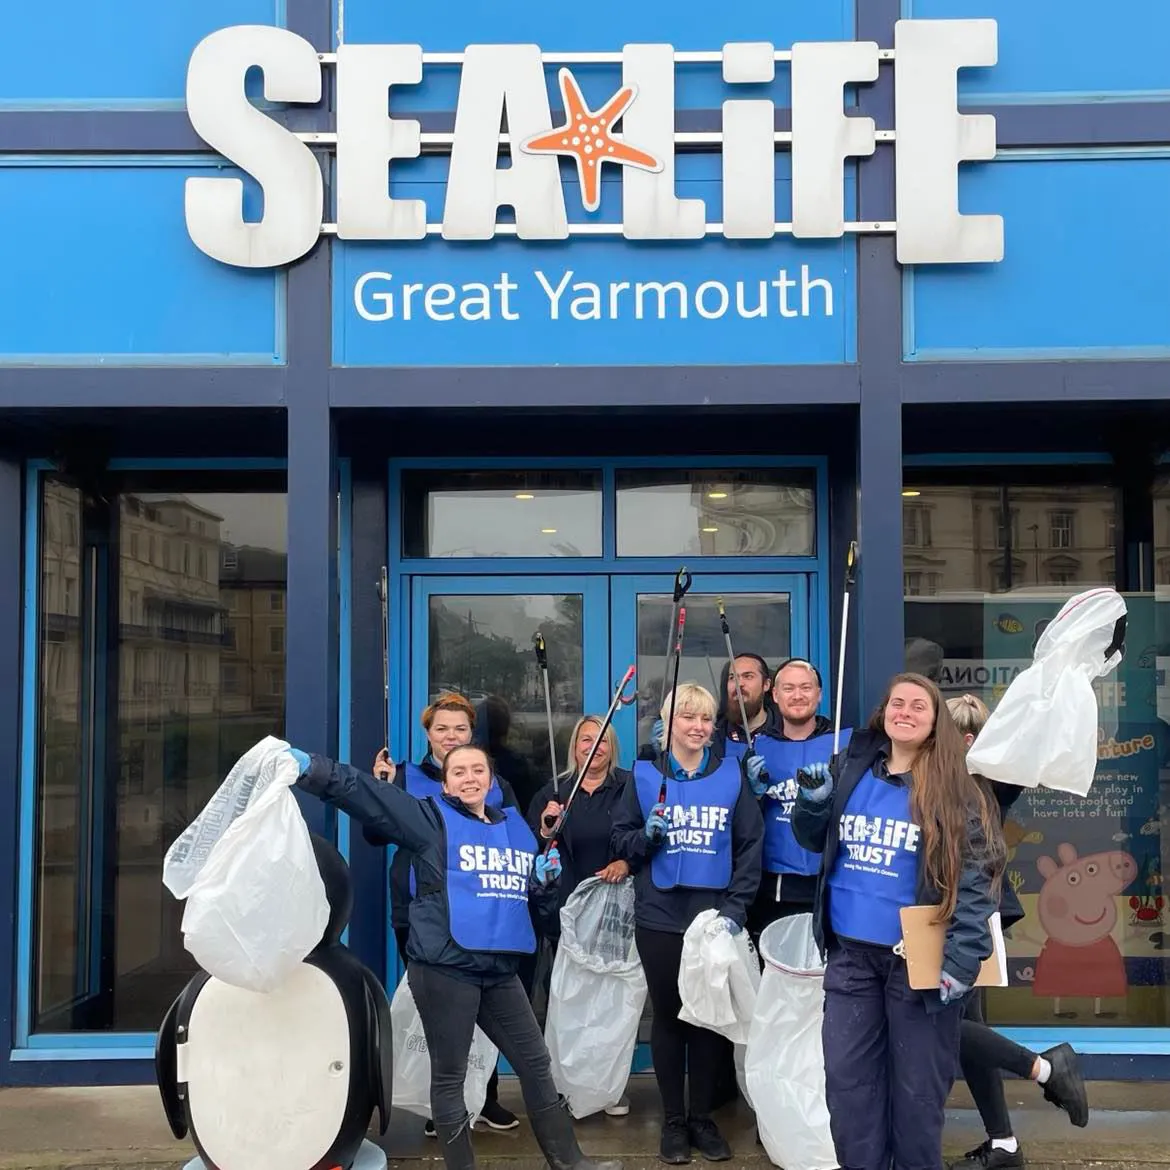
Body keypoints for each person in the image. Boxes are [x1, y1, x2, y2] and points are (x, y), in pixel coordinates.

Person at [284, 743, 622, 1170]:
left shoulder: (517, 830)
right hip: (445, 969)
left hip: (499, 970)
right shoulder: (428, 820)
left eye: (478, 770)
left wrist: (542, 884)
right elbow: (363, 792)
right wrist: (310, 767)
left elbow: (534, 907)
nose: (469, 778)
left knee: (536, 1066)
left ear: (493, 780)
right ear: (445, 782)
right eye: (458, 771)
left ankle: (570, 1162)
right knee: (450, 1078)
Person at [792, 672, 1006, 1170]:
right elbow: (813, 840)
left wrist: (962, 961)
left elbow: (978, 882)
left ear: (935, 723)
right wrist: (813, 805)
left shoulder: (957, 790)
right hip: (850, 961)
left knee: (916, 1101)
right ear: (883, 711)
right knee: (849, 1092)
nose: (905, 712)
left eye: (918, 706)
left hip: (919, 966)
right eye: (897, 703)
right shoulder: (851, 768)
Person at [611, 682, 764, 1165]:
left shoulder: (731, 775)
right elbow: (621, 841)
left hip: (713, 917)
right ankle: (673, 1121)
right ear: (668, 722)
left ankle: (702, 1117)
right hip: (659, 916)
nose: (697, 728)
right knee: (670, 1016)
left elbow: (749, 846)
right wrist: (646, 839)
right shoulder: (641, 775)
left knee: (707, 1019)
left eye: (705, 720)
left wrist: (736, 910)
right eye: (687, 718)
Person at [945, 694, 1089, 1170]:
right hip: (970, 917)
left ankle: (1046, 1069)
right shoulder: (974, 784)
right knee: (966, 1029)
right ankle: (1004, 1142)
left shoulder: (981, 784)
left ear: (967, 741)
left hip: (963, 919)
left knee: (942, 1024)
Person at [370, 691, 522, 1136]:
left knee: (487, 1010)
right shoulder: (403, 777)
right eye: (442, 728)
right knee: (442, 1014)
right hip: (421, 916)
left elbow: (515, 836)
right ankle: (447, 1105)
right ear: (428, 734)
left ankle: (488, 1098)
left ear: (471, 733)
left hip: (486, 913)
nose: (451, 736)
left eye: (460, 728)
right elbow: (375, 838)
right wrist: (381, 788)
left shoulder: (491, 779)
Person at [527, 715, 634, 1117]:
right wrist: (545, 828)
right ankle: (566, 1086)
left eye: (602, 740)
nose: (594, 746)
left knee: (608, 1003)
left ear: (612, 747)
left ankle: (608, 1087)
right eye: (585, 739)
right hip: (565, 912)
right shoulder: (554, 792)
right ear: (574, 746)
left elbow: (642, 836)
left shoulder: (628, 787)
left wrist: (626, 860)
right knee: (568, 1003)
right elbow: (532, 848)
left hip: (613, 915)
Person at [745, 658, 852, 950]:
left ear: (819, 693)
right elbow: (742, 823)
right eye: (789, 688)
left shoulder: (846, 744)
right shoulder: (756, 746)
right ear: (775, 695)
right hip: (774, 887)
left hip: (829, 880)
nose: (797, 695)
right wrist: (753, 794)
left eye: (806, 687)